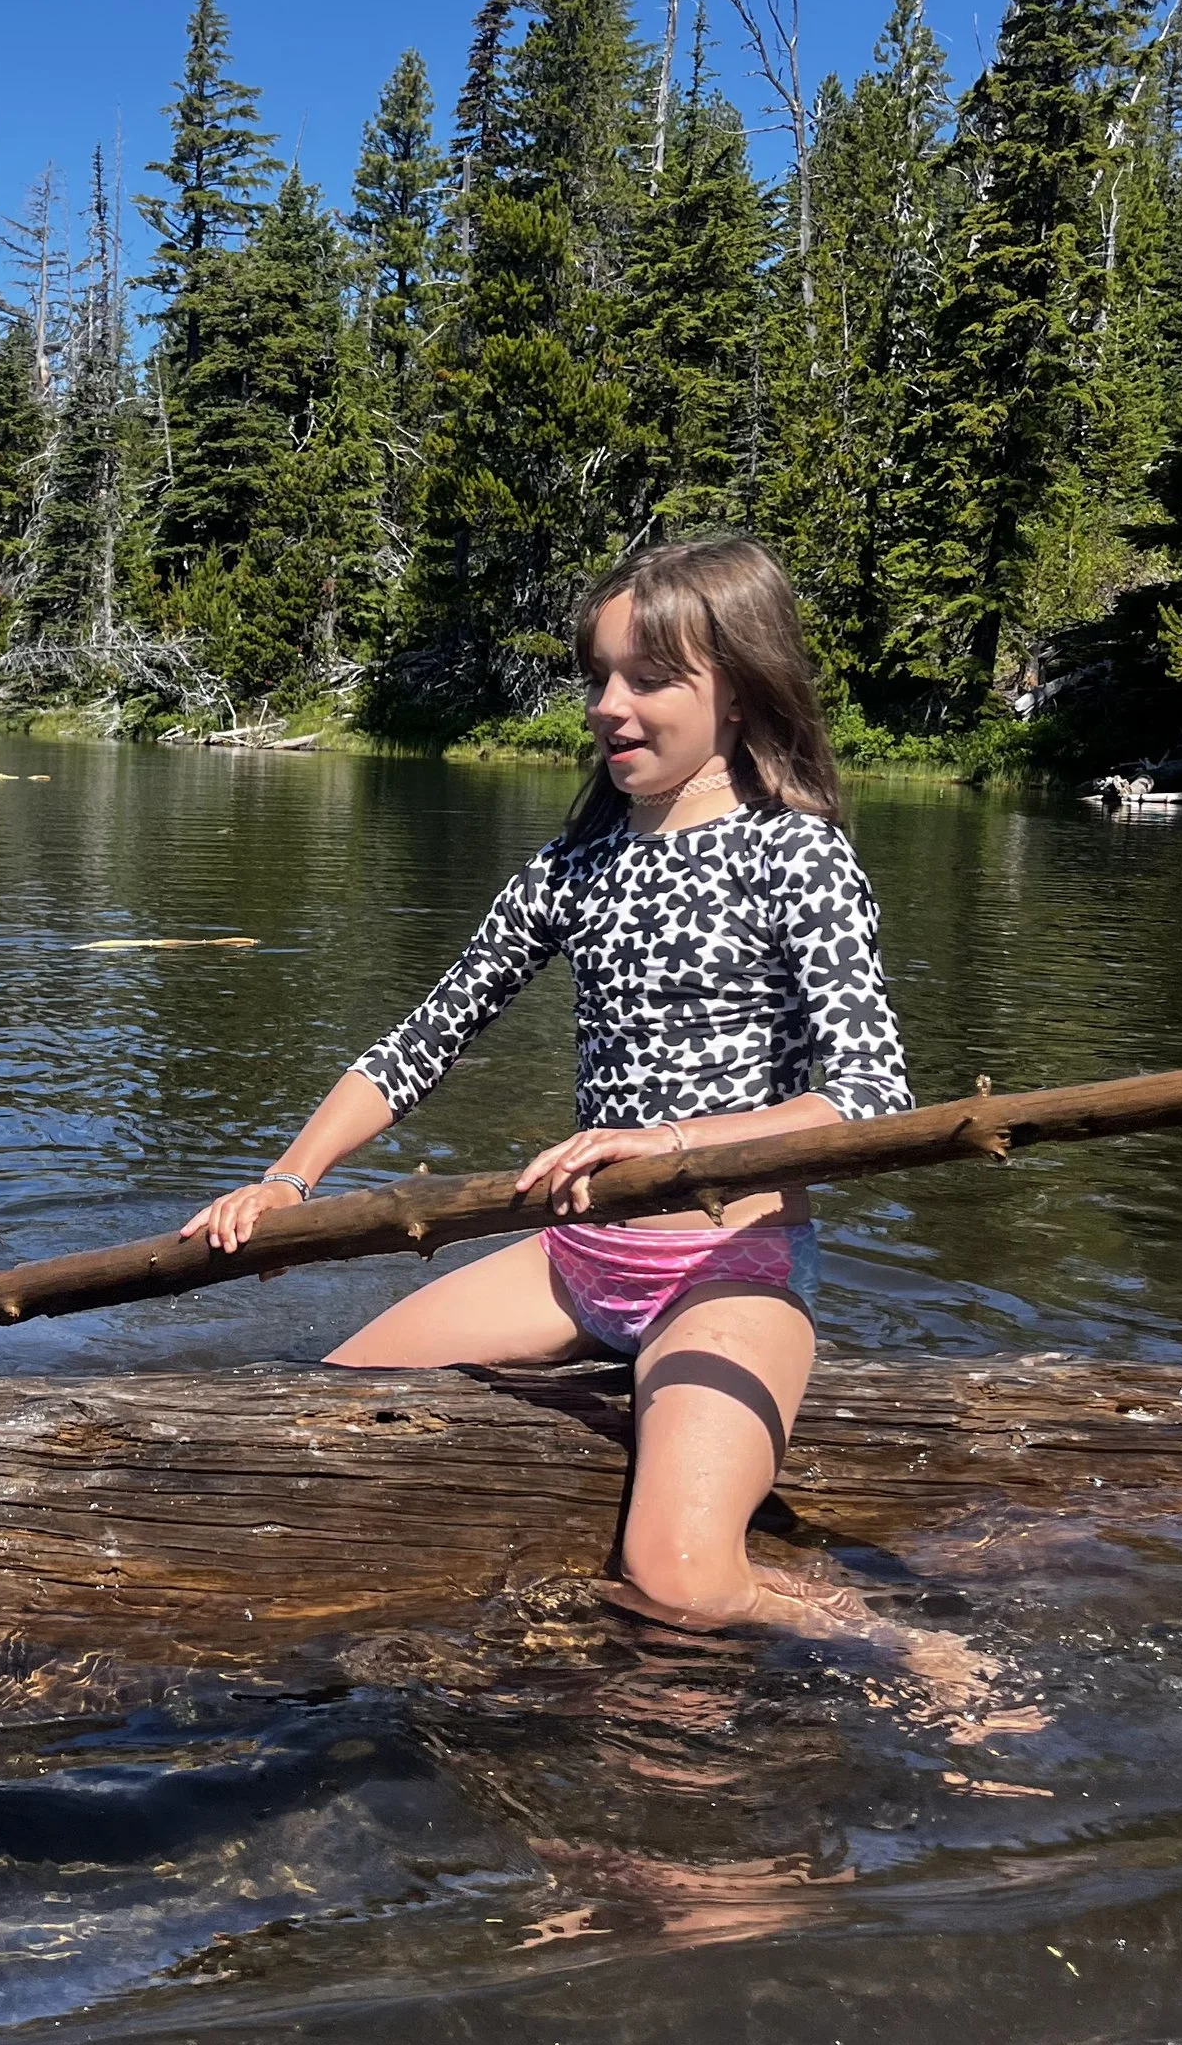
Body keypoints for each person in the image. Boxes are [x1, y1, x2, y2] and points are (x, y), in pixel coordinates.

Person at [182, 535, 912, 1639]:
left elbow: (868, 1097)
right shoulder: (573, 865)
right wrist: (289, 1181)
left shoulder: (794, 855)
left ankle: (919, 1649)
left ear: (742, 693)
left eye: (650, 678)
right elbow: (422, 1041)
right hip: (579, 1263)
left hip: (728, 1270)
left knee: (674, 1580)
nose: (608, 706)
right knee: (316, 1409)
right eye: (599, 678)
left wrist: (670, 1145)